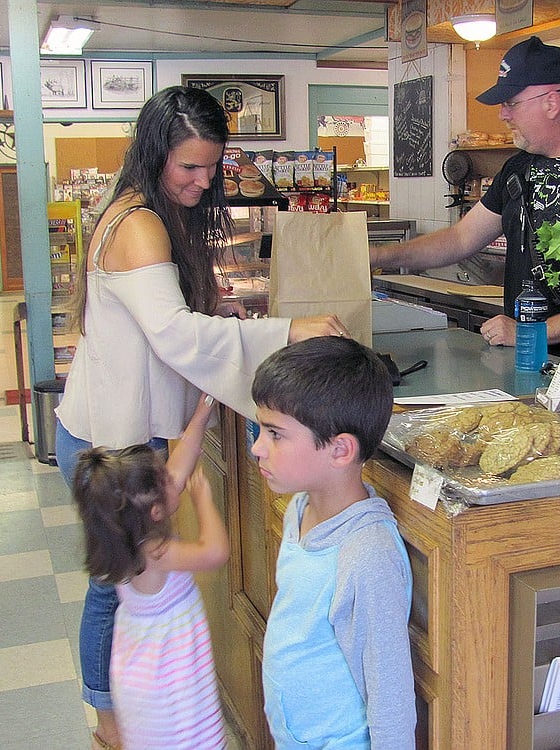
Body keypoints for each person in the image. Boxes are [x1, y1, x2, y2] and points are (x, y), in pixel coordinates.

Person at [53, 85, 350, 750]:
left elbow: (178, 323)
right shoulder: (138, 223)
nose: (202, 180)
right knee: (111, 588)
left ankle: (115, 711)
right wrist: (286, 330)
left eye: (211, 167)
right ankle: (108, 723)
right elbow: (178, 339)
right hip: (107, 437)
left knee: (119, 584)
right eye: (188, 167)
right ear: (155, 154)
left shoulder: (149, 211)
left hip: (121, 430)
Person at [370, 36, 560, 363]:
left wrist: (529, 333)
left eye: (511, 102)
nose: (502, 114)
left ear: (551, 102)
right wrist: (379, 255)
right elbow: (460, 239)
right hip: (522, 364)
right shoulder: (517, 168)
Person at [251, 337, 415, 749]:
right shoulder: (299, 507)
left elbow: (389, 690)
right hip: (295, 733)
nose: (257, 448)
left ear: (340, 450)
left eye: (274, 434)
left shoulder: (366, 555)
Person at [72, 394, 228, 750]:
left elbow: (181, 463)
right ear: (156, 510)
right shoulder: (155, 553)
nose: (174, 479)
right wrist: (203, 500)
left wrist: (204, 408)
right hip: (168, 685)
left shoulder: (125, 537)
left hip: (142, 673)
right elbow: (215, 552)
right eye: (165, 482)